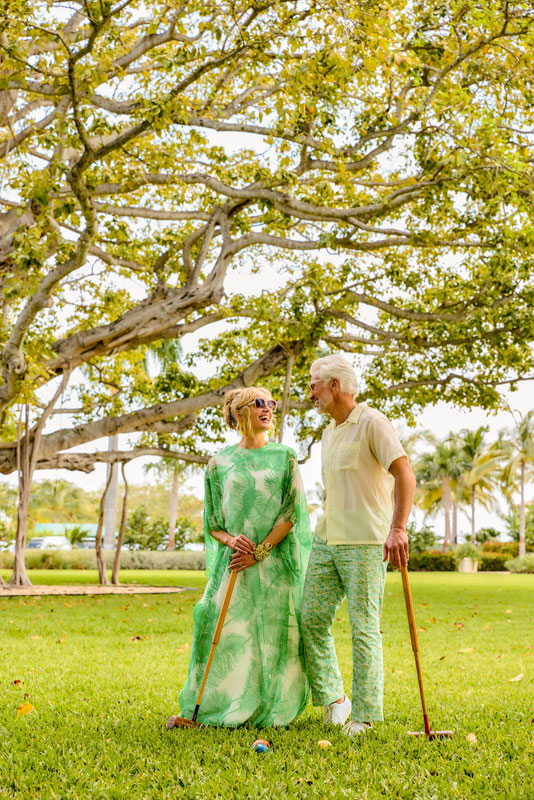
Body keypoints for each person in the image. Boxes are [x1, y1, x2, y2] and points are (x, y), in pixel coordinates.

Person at [174, 386, 312, 727]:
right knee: (225, 630)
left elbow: (291, 512)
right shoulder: (218, 463)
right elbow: (213, 525)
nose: (268, 409)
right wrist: (232, 540)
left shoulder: (285, 457)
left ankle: (271, 708)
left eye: (272, 403)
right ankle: (219, 705)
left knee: (274, 635)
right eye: (259, 403)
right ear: (239, 413)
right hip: (233, 564)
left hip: (273, 563)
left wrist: (261, 551)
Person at [301, 354, 415, 736]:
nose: (311, 391)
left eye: (314, 383)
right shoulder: (329, 432)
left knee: (364, 627)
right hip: (326, 539)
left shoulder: (372, 421)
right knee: (311, 619)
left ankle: (365, 715)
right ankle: (336, 699)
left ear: (334, 385)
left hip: (366, 542)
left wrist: (397, 528)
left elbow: (405, 474)